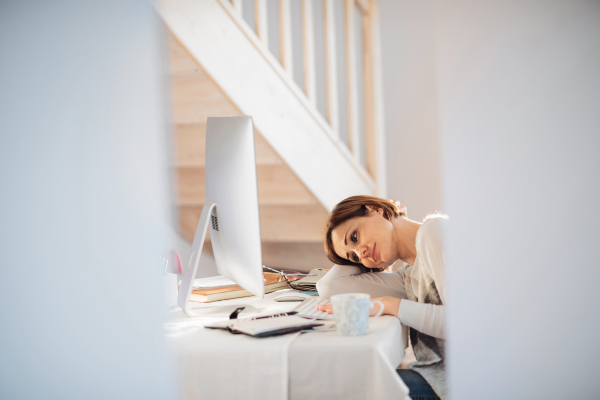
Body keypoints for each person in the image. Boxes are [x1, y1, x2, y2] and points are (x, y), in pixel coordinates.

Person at [315, 195, 448, 400]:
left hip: (471, 382)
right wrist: (357, 251)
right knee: (343, 382)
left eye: (354, 237)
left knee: (344, 390)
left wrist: (389, 304)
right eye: (354, 257)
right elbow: (329, 285)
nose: (361, 252)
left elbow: (462, 323)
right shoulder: (409, 278)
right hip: (440, 379)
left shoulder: (434, 231)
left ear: (375, 209)